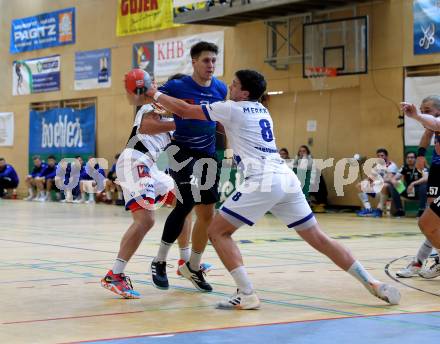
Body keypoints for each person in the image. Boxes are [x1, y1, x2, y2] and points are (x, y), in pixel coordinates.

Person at [146, 69, 401, 309]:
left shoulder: (232, 108)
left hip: (263, 179)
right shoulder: (262, 110)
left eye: (233, 84)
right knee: (319, 238)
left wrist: (153, 94)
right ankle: (372, 282)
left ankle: (246, 294)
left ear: (243, 93)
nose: (229, 87)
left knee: (217, 231)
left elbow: (184, 110)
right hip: (286, 178)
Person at [150, 41, 227, 292]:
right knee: (184, 204)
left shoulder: (220, 88)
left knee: (208, 214)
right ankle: (160, 260)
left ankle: (192, 266)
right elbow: (152, 107)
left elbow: (221, 122)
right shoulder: (177, 86)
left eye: (214, 60)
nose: (211, 65)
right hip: (181, 151)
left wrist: (226, 151)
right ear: (194, 62)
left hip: (208, 154)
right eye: (206, 60)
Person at [101, 69, 177, 298]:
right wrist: (180, 123)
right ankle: (114, 275)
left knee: (185, 203)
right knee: (145, 220)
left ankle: (187, 261)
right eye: (152, 82)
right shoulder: (150, 106)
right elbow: (147, 127)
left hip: (152, 166)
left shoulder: (173, 112)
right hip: (136, 160)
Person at [397, 98, 440, 278]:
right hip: (437, 171)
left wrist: (415, 115)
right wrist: (421, 155)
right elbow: (429, 130)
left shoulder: (435, 121)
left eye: (427, 110)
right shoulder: (432, 125)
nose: (424, 113)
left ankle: (419, 262)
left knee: (429, 221)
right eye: (422, 110)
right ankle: (422, 262)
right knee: (429, 221)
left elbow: (434, 123)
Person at [356, 148, 398, 217]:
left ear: (386, 156)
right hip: (377, 189)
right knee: (360, 185)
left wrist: (376, 182)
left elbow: (389, 178)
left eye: (382, 155)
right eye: (378, 156)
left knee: (385, 185)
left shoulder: (392, 166)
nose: (380, 157)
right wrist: (366, 182)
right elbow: (370, 178)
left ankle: (379, 210)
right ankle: (368, 208)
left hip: (387, 191)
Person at [388, 151, 428, 218]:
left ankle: (421, 210)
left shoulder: (421, 166)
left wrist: (413, 183)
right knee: (393, 185)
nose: (410, 159)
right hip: (408, 191)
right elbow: (394, 178)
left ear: (416, 159)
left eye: (412, 157)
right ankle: (400, 210)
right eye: (408, 157)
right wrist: (394, 181)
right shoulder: (404, 167)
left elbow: (426, 178)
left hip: (419, 191)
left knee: (424, 186)